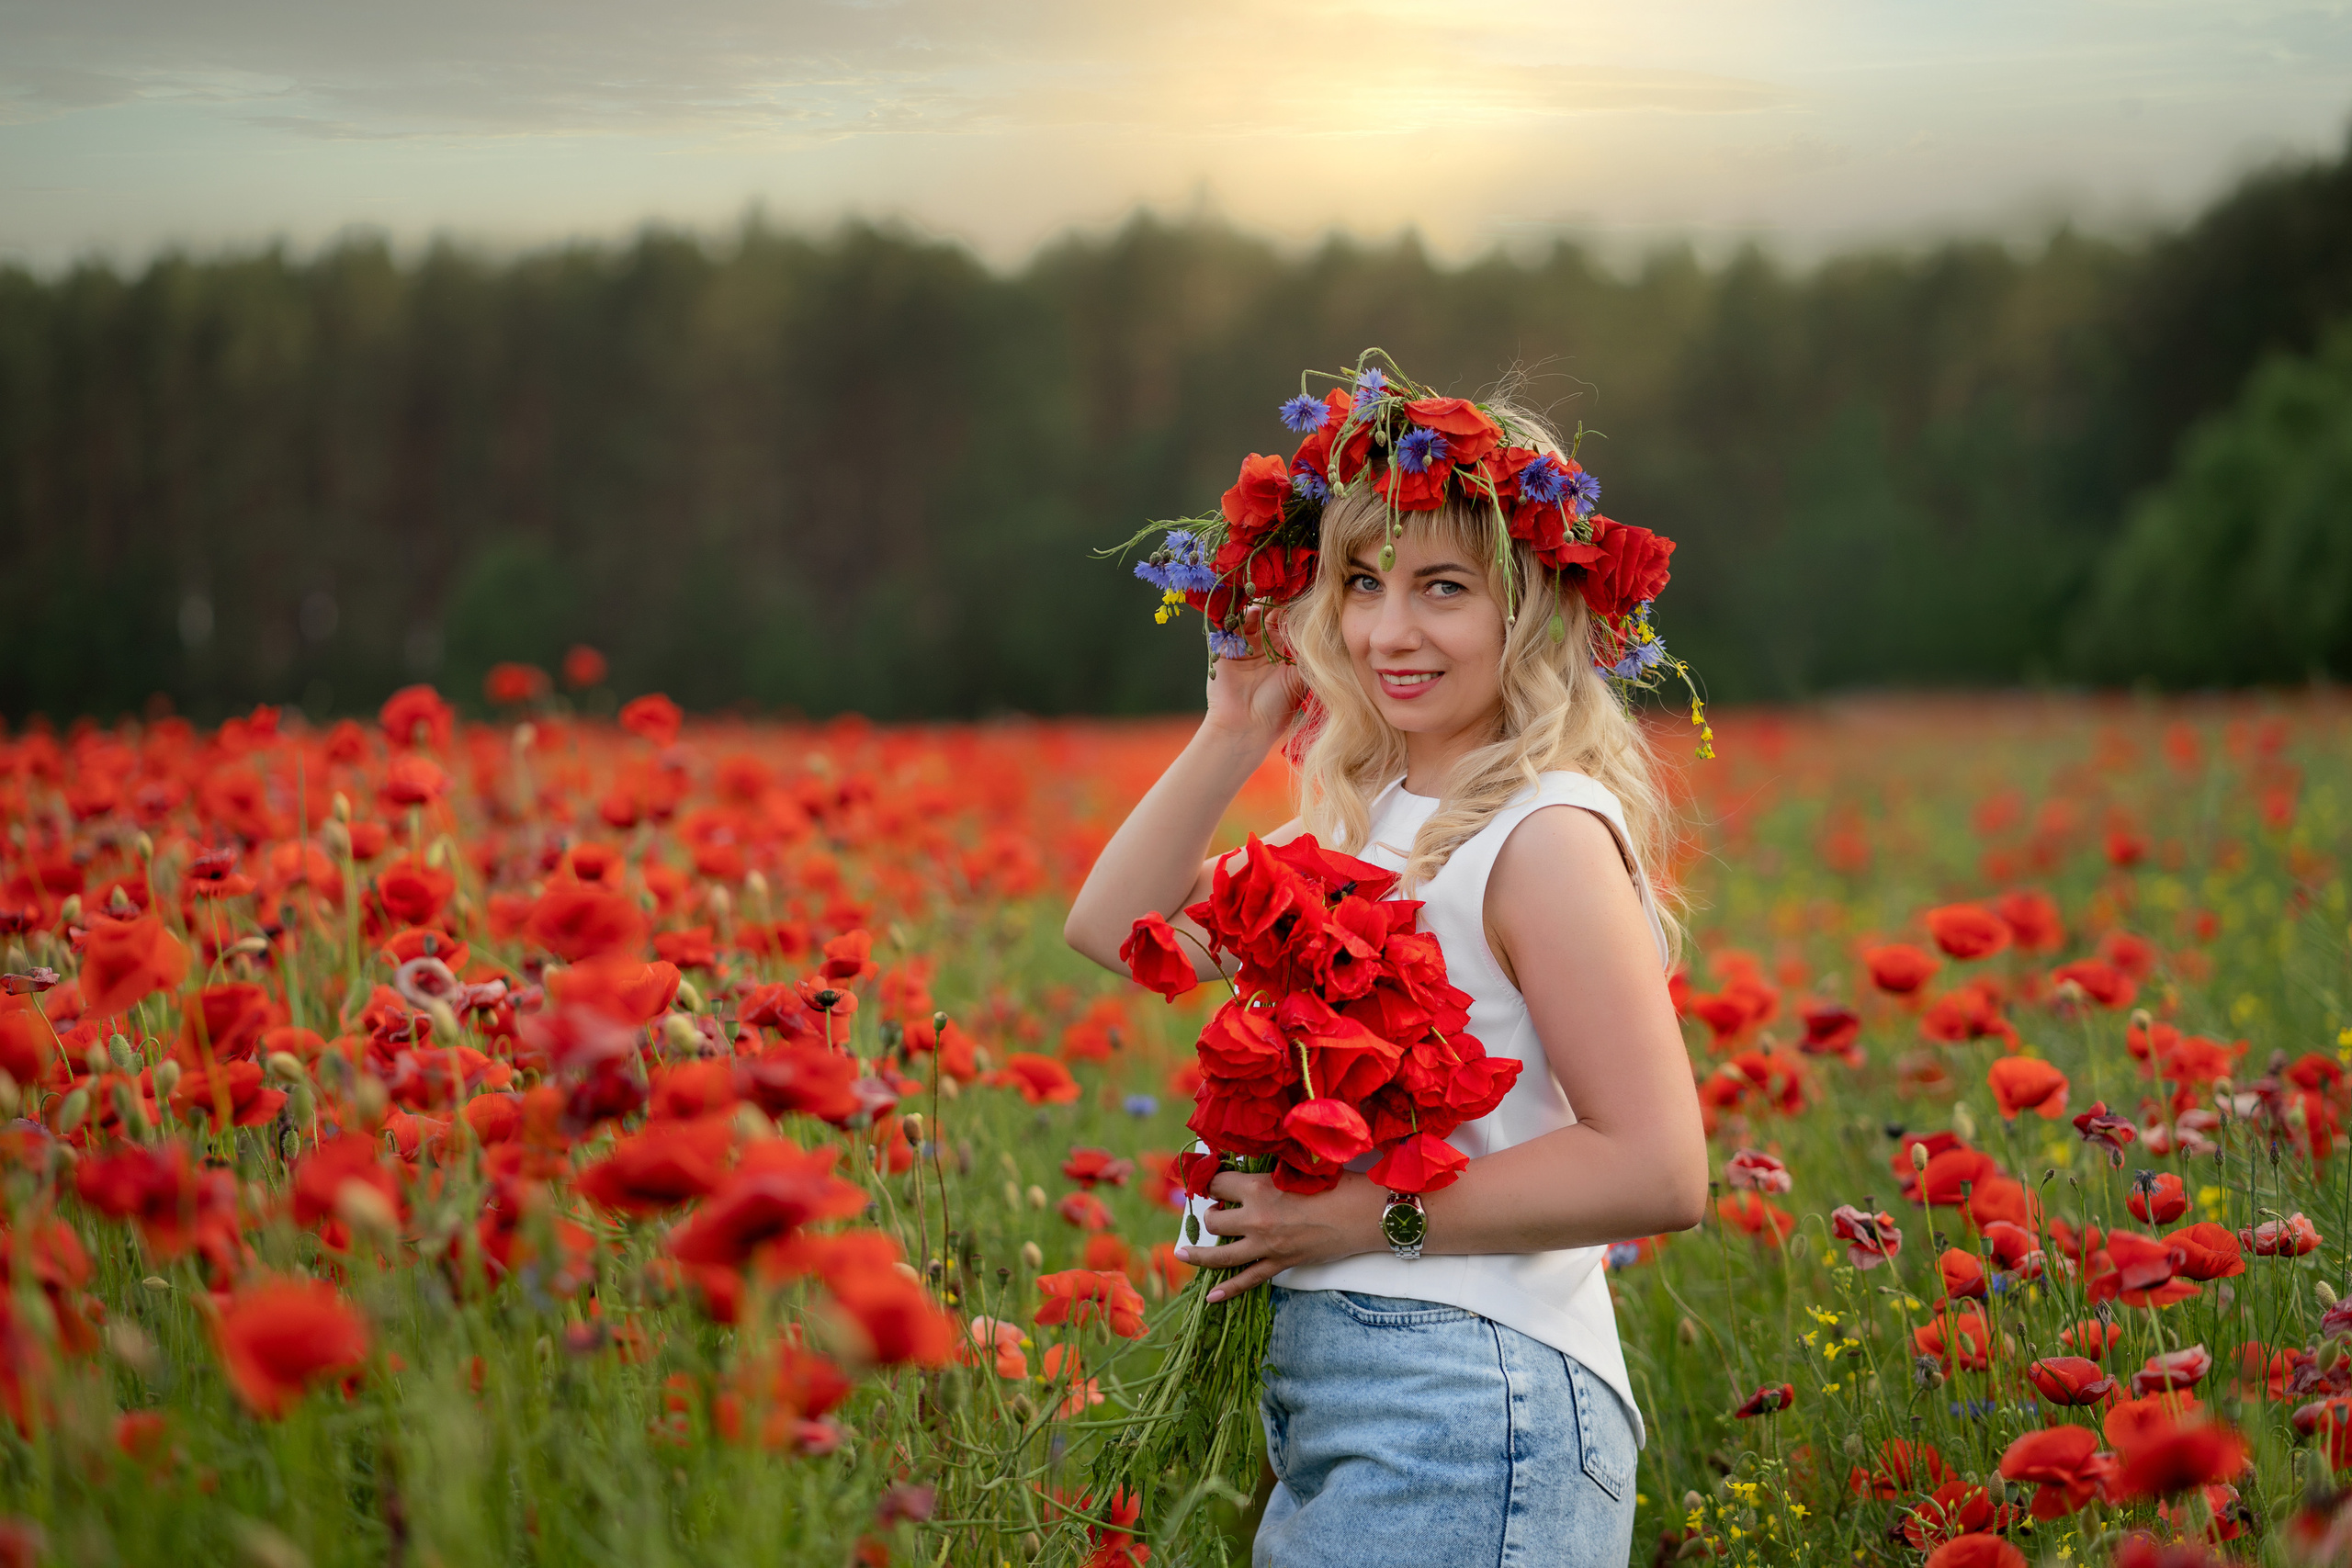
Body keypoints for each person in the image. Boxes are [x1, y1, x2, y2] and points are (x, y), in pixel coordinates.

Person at [1064, 374, 1711, 1567]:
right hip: (1358, 1396)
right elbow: (1116, 930)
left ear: (1532, 613)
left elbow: (1659, 1166)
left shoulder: (1545, 830)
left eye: (1443, 589)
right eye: (1363, 583)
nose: (1387, 631)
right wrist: (1233, 729)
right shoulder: (1372, 824)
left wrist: (1357, 1214)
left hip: (1475, 1398)